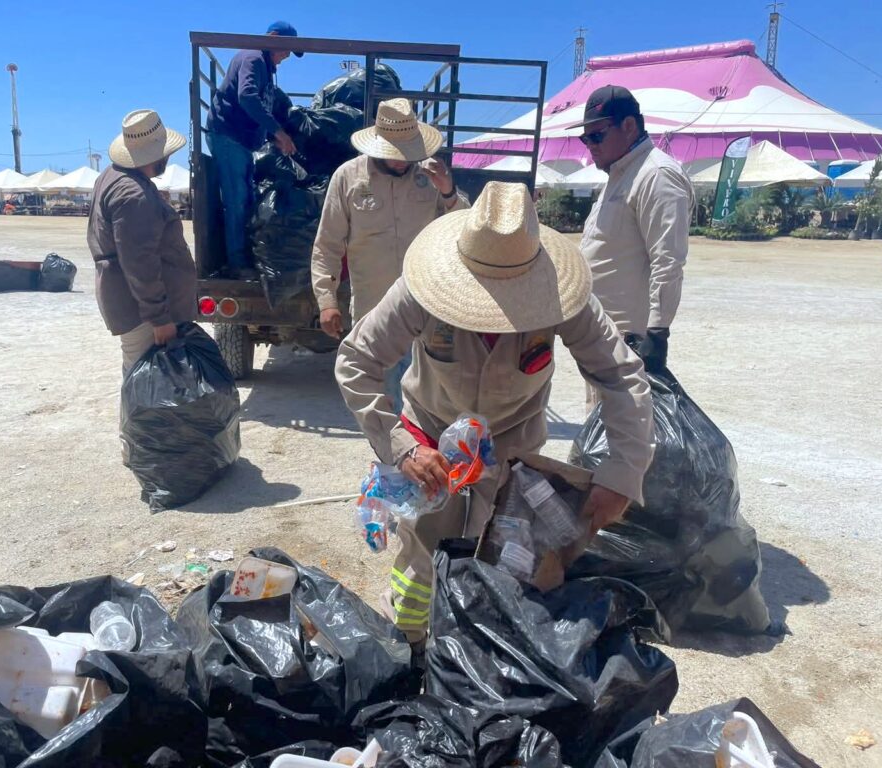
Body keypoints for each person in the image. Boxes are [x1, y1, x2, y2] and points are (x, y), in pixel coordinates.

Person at [335, 182, 655, 643]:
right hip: (431, 445)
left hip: (512, 449)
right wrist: (401, 448)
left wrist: (622, 473)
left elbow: (621, 376)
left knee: (511, 562)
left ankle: (481, 652)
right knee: (422, 561)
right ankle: (411, 641)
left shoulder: (564, 298)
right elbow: (356, 361)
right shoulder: (419, 290)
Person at [312, 98, 467, 409]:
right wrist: (327, 301)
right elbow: (328, 244)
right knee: (380, 402)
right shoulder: (348, 178)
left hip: (425, 309)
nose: (401, 162)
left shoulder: (431, 176)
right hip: (374, 312)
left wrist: (449, 191)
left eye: (407, 153)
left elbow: (463, 230)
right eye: (394, 154)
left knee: (428, 401)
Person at [570, 85, 694, 403]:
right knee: (601, 423)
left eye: (597, 136)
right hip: (601, 336)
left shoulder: (657, 175)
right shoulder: (621, 175)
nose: (590, 146)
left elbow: (668, 260)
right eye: (585, 139)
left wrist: (657, 334)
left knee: (624, 428)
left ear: (628, 126)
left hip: (629, 342)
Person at [88, 109, 196, 372]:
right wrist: (159, 318)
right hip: (143, 313)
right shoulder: (134, 195)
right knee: (148, 383)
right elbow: (139, 263)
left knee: (145, 378)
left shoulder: (111, 176)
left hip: (133, 304)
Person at [207, 21, 302, 280]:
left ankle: (245, 257)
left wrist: (273, 136)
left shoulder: (264, 65)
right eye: (286, 50)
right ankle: (237, 264)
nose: (286, 57)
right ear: (273, 38)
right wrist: (279, 133)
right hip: (228, 135)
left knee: (247, 199)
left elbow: (259, 106)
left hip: (242, 140)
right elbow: (247, 96)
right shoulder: (253, 58)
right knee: (237, 200)